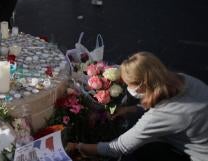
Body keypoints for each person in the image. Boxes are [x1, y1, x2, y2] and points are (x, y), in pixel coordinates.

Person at [66, 52, 208, 161]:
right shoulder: (180, 79)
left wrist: (79, 147)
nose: (128, 88)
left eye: (129, 84)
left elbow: (117, 147)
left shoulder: (162, 116)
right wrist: (129, 109)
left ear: (142, 86)